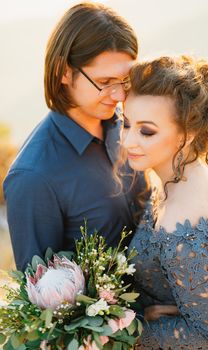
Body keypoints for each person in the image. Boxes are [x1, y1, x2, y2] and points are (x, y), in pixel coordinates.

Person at [3, 2, 142, 271]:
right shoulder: (33, 177)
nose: (120, 95)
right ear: (64, 72)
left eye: (125, 80)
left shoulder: (128, 129)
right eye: (104, 82)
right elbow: (42, 303)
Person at [121, 56, 208, 349]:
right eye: (126, 124)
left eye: (146, 131)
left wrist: (135, 328)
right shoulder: (186, 169)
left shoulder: (184, 216)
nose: (129, 141)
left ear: (187, 133)